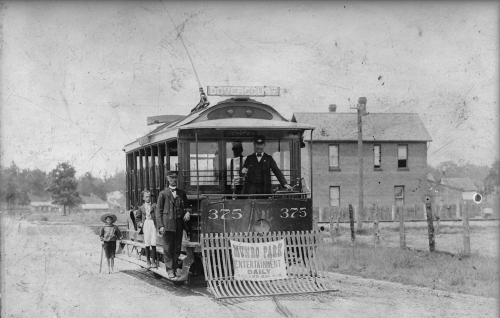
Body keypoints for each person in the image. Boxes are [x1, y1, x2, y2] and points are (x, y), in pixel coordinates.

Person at [156, 171, 190, 279]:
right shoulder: (163, 193)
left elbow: (188, 206)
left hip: (179, 224)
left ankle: (174, 268)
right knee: (168, 248)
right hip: (167, 225)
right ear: (167, 179)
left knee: (177, 248)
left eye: (175, 178)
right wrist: (161, 225)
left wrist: (188, 212)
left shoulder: (181, 193)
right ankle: (170, 270)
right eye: (171, 178)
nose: (174, 180)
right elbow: (158, 211)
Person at [135, 190, 158, 269]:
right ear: (143, 198)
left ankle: (153, 261)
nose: (148, 198)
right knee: (147, 243)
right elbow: (137, 218)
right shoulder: (141, 208)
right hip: (146, 224)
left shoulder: (154, 206)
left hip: (153, 224)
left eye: (149, 196)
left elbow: (158, 214)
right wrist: (140, 224)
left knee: (153, 242)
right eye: (146, 197)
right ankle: (148, 261)